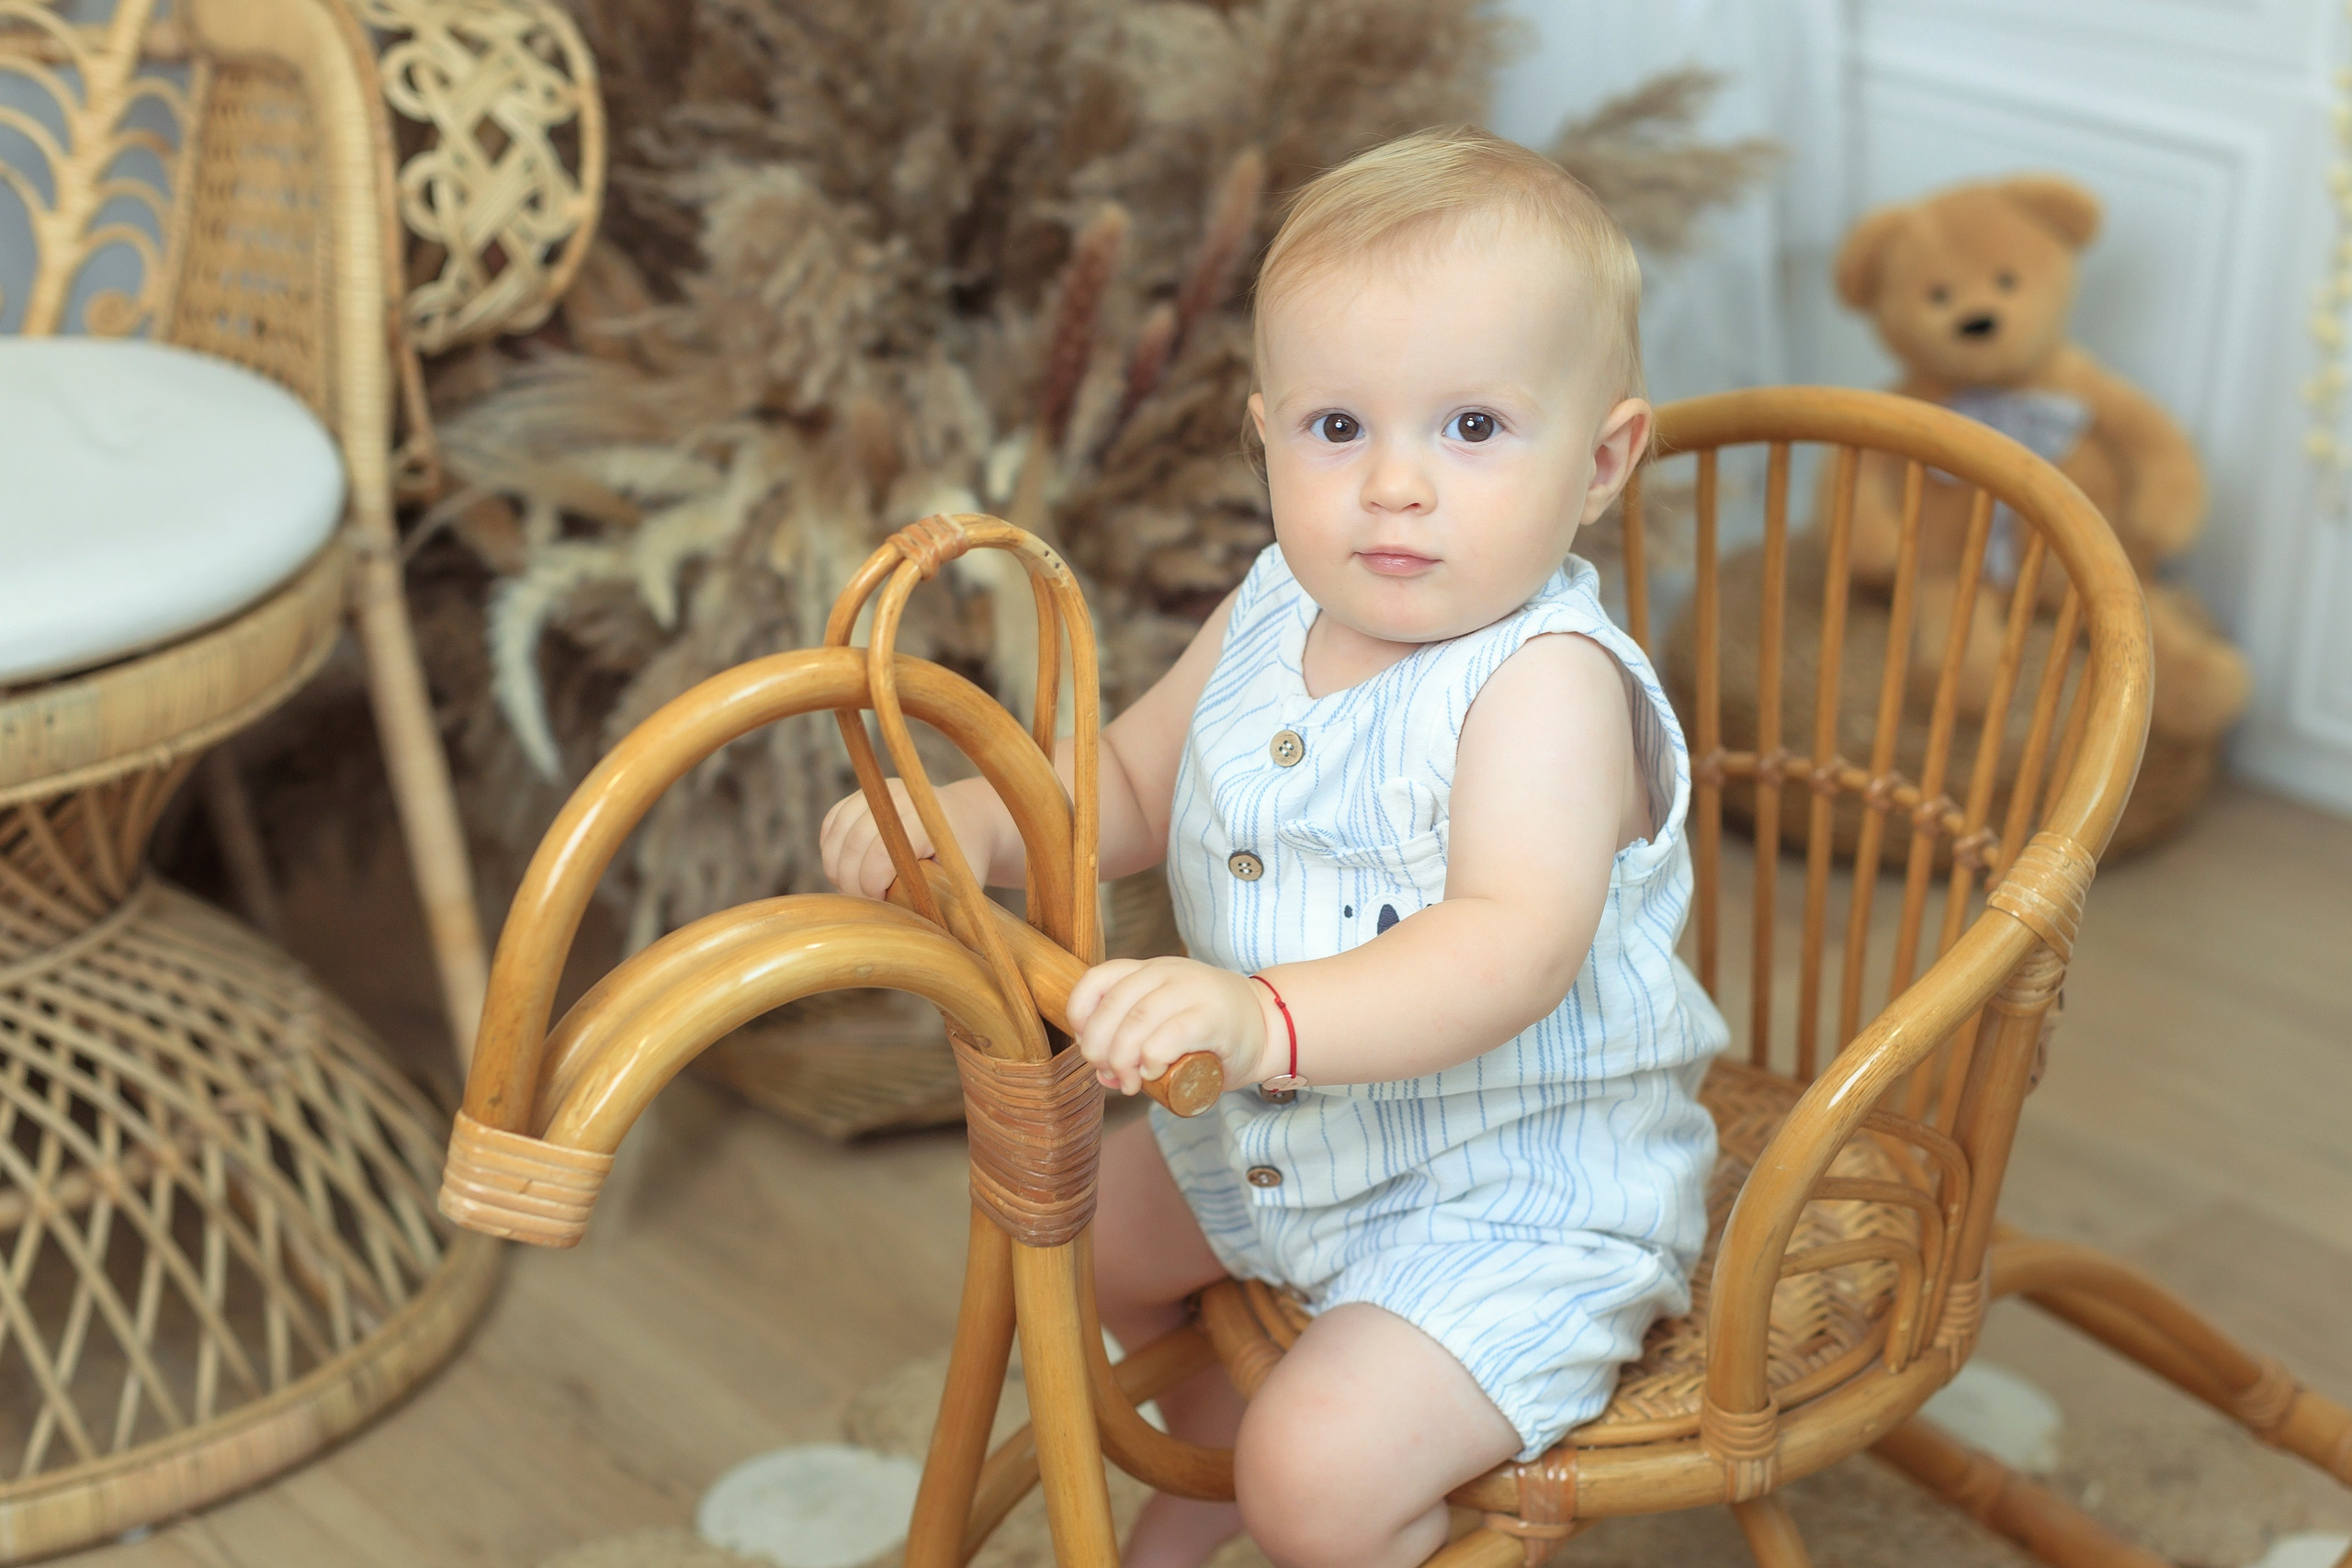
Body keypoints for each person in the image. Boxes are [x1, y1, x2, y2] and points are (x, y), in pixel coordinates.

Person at [821, 125, 1728, 1568]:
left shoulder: (1546, 680)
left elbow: (1510, 942)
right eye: (1338, 428)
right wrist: (974, 820)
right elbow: (1127, 772)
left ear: (1604, 459)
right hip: (1283, 1137)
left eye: (1474, 429)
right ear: (1267, 438)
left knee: (1324, 1476)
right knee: (1100, 1239)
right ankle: (1216, 1464)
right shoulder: (1271, 608)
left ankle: (1292, 1490)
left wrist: (1258, 1017)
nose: (1395, 487)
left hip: (1514, 1195)